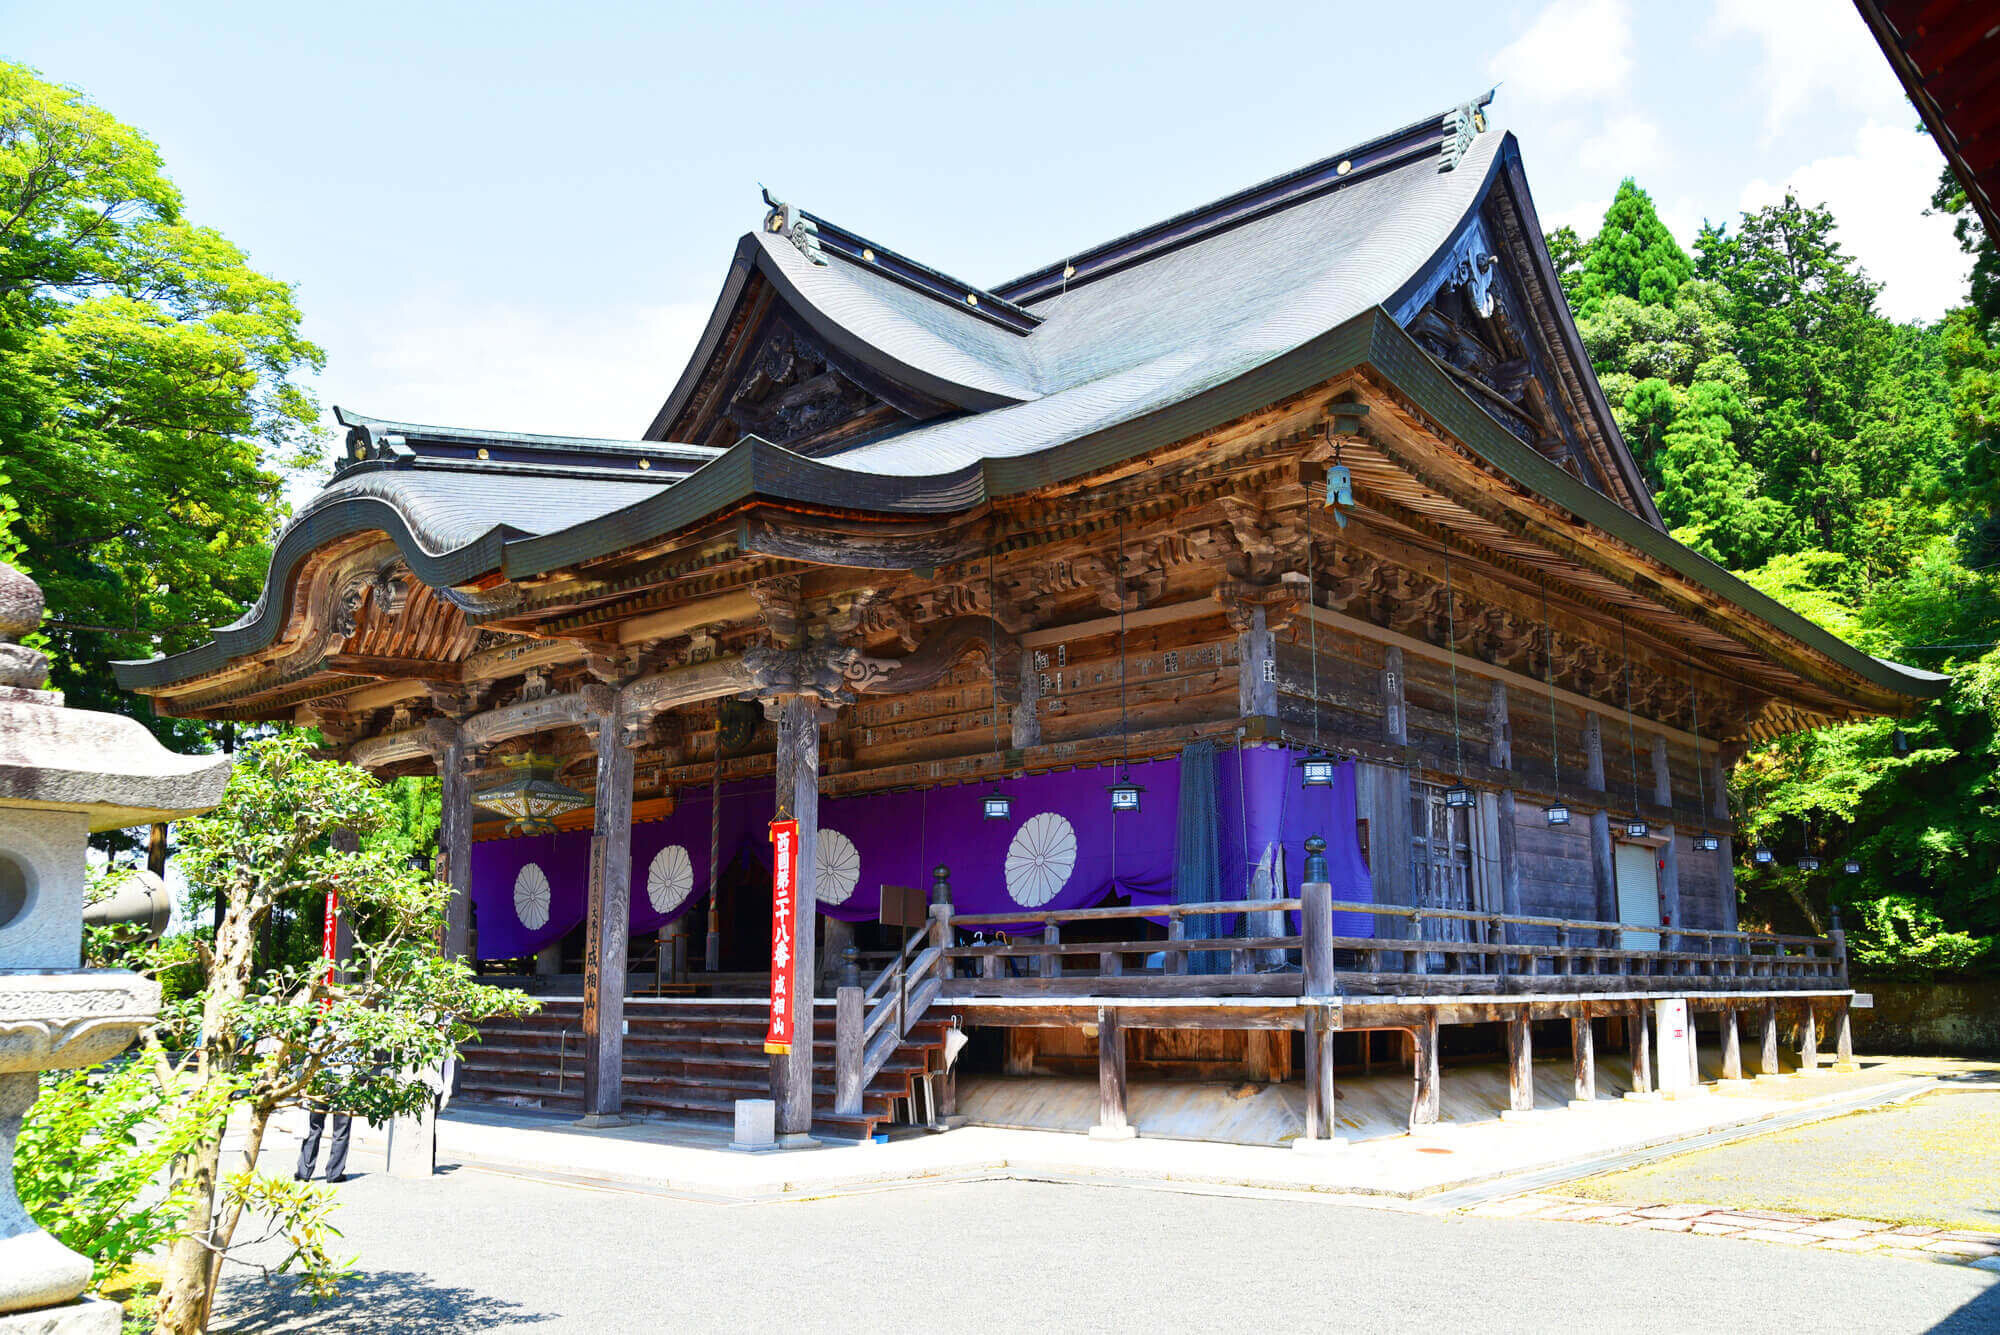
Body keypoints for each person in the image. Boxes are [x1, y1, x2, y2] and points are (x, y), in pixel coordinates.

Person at [295, 1100, 351, 1183]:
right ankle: (334, 1174)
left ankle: (304, 1173)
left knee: (314, 1129)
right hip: (344, 1090)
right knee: (341, 1131)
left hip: (320, 1089)